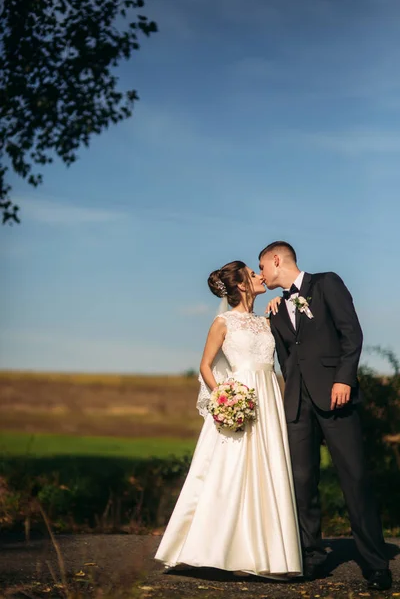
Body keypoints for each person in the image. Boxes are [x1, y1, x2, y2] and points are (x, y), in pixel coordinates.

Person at [155, 260, 302, 578]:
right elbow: (205, 366)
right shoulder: (223, 322)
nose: (260, 276)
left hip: (269, 397)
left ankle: (266, 553)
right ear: (240, 285)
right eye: (253, 274)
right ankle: (212, 547)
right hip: (241, 397)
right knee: (230, 471)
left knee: (266, 470)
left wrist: (280, 303)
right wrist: (224, 397)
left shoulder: (266, 321)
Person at [259, 241, 391, 591]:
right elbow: (288, 358)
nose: (261, 275)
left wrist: (344, 379)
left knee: (355, 477)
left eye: (262, 268)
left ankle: (375, 562)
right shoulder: (275, 309)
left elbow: (352, 333)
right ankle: (312, 557)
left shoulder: (327, 283)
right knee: (302, 483)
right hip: (298, 405)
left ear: (276, 260)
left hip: (336, 397)